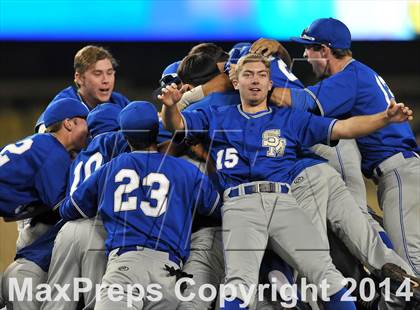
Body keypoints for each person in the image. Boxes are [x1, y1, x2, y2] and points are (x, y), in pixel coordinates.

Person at [160, 53, 415, 310]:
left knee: (327, 276)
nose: (255, 81)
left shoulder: (288, 118)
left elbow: (344, 128)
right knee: (239, 285)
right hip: (240, 204)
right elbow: (177, 125)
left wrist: (384, 118)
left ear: (271, 83)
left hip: (284, 200)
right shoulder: (215, 115)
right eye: (248, 75)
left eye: (262, 75)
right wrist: (171, 106)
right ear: (236, 82)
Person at [269, 17, 420, 276]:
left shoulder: (349, 76)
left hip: (399, 173)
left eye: (309, 48)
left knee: (409, 266)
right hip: (402, 170)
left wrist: (258, 84)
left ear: (325, 50)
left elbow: (302, 102)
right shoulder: (359, 72)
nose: (305, 54)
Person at [60, 101, 221, 310]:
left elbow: (69, 209)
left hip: (125, 267)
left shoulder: (110, 169)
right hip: (168, 273)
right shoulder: (185, 170)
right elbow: (216, 209)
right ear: (157, 131)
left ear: (124, 137)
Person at [1, 98, 89, 310]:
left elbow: (15, 211)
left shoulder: (41, 145)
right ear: (69, 123)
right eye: (85, 122)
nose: (89, 129)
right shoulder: (54, 152)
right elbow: (63, 207)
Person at [41, 103, 129, 310]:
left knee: (58, 300)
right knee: (96, 301)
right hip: (98, 228)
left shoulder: (79, 156)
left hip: (67, 230)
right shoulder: (114, 140)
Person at [35, 45, 129, 133]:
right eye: (97, 73)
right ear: (79, 78)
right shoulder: (64, 102)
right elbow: (42, 131)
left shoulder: (120, 102)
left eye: (109, 73)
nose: (106, 80)